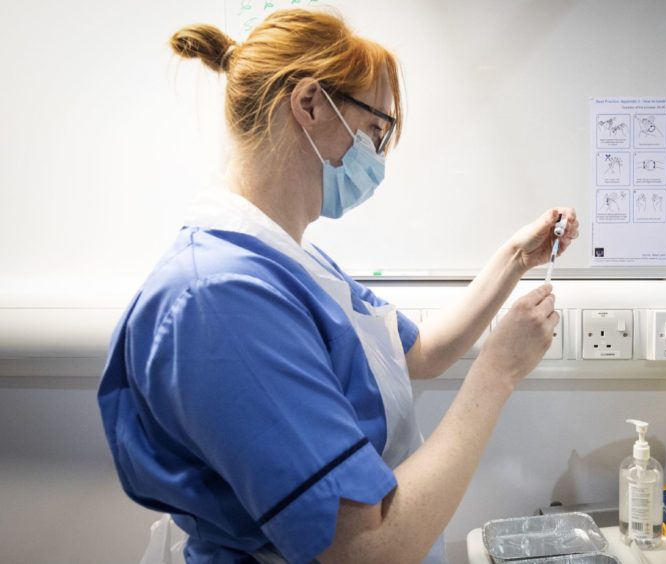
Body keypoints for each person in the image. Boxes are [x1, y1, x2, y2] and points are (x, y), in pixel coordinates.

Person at [97, 8, 579, 564]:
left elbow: (418, 352)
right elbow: (364, 549)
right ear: (309, 105)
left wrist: (517, 257)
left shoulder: (288, 259)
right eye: (375, 131)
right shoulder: (219, 300)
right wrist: (498, 372)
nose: (376, 160)